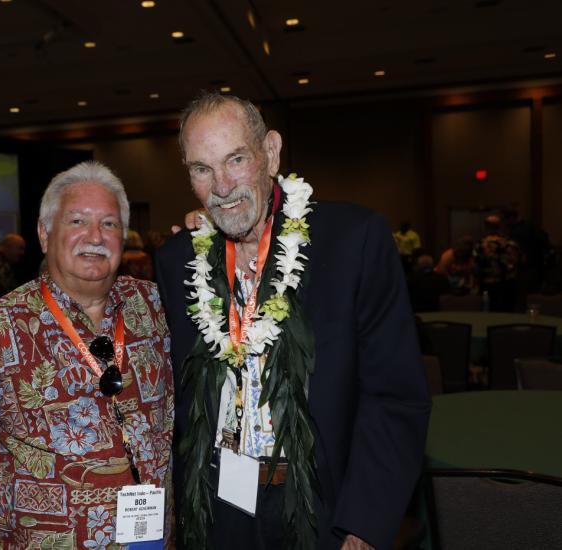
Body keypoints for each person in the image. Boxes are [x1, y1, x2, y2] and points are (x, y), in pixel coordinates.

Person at [154, 92, 430, 550]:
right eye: (202, 169)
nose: (221, 186)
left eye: (236, 159)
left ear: (271, 152)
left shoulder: (352, 242)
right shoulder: (177, 260)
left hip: (324, 507)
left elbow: (395, 396)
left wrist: (362, 525)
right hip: (216, 508)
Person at [0, 161, 174, 549]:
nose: (95, 236)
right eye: (77, 221)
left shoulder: (155, 307)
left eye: (109, 224)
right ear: (45, 234)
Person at [473, 214, 520, 311]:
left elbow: (476, 267)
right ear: (500, 226)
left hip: (488, 285)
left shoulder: (480, 245)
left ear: (485, 227)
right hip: (505, 286)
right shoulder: (509, 244)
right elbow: (515, 264)